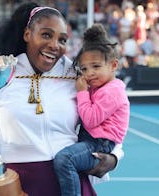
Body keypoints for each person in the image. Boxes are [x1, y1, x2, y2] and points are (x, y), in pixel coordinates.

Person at [0, 3, 124, 196]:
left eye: (62, 40)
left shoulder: (77, 76)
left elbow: (109, 118)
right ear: (27, 34)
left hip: (70, 184)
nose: (55, 45)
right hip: (17, 186)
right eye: (46, 35)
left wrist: (114, 156)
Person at [53, 24, 130, 196]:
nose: (89, 74)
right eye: (85, 69)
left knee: (65, 159)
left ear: (113, 65)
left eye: (96, 66)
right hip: (92, 139)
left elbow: (90, 119)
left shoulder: (112, 91)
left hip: (99, 143)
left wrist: (82, 93)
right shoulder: (100, 88)